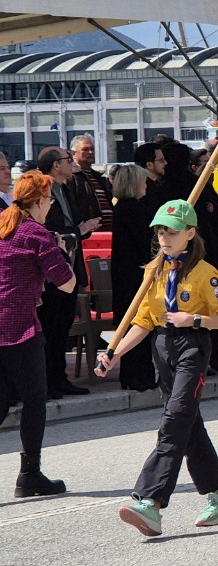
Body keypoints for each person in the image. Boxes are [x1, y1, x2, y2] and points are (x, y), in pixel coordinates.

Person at [98, 201, 218, 537]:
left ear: (190, 234)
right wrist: (115, 353)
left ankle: (149, 501)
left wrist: (193, 318)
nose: (164, 237)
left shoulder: (205, 273)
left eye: (172, 231)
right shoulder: (155, 271)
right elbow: (143, 321)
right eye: (161, 231)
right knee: (188, 423)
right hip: (162, 348)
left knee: (174, 420)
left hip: (192, 347)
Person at [0, 173, 76, 497]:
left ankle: (29, 475)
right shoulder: (37, 233)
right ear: (38, 201)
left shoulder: (3, 224)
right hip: (20, 330)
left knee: (1, 403)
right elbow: (68, 283)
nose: (52, 203)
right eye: (49, 198)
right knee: (34, 401)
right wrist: (60, 251)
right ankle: (29, 474)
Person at [36, 146, 99, 398]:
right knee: (50, 328)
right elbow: (50, 229)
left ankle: (60, 378)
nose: (71, 162)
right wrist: (78, 229)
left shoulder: (66, 188)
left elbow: (73, 224)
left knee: (63, 327)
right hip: (52, 272)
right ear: (54, 165)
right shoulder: (43, 191)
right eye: (66, 159)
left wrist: (84, 228)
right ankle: (48, 381)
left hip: (70, 267)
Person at [109, 164, 159, 391]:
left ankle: (139, 374)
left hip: (128, 274)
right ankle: (136, 376)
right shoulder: (131, 209)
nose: (146, 185)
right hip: (133, 275)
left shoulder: (125, 208)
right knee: (136, 325)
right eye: (142, 181)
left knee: (136, 325)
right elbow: (144, 242)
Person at [69, 134, 112, 232]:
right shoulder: (71, 176)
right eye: (85, 149)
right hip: (88, 234)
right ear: (73, 153)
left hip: (108, 232)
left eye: (92, 149)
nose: (90, 152)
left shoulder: (99, 177)